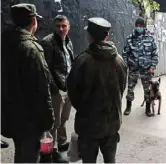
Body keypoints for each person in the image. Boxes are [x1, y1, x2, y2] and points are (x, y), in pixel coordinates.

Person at [67, 17, 127, 163]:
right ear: (107, 36)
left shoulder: (82, 61)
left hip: (88, 125)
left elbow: (72, 92)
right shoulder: (119, 61)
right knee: (110, 160)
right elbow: (121, 88)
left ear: (89, 36)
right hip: (112, 123)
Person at [1, 3, 54, 163]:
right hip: (30, 120)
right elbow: (42, 89)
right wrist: (48, 120)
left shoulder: (5, 42)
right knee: (30, 156)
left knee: (20, 152)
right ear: (33, 22)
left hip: (11, 113)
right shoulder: (31, 49)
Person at [40, 14, 74, 163]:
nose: (61, 29)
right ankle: (51, 151)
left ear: (68, 27)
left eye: (64, 26)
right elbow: (45, 69)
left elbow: (70, 62)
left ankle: (62, 142)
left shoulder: (68, 41)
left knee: (64, 118)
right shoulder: (48, 42)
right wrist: (54, 89)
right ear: (54, 27)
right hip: (56, 89)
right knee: (54, 122)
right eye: (58, 26)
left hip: (68, 87)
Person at [122, 17, 159, 117]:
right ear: (135, 26)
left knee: (147, 90)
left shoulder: (150, 38)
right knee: (130, 89)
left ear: (144, 26)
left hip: (146, 70)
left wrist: (153, 66)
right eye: (137, 26)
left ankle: (147, 109)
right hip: (133, 69)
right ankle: (128, 107)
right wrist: (126, 66)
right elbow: (125, 54)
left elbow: (154, 54)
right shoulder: (130, 39)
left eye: (141, 26)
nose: (139, 28)